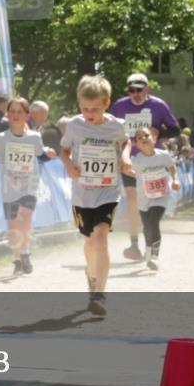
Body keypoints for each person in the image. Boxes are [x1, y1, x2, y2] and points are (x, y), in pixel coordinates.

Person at [60, 75, 130, 316]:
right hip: (82, 194)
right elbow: (64, 150)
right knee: (90, 241)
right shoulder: (74, 125)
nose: (89, 113)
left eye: (95, 109)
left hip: (108, 191)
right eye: (85, 108)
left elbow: (126, 142)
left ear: (106, 103)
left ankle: (99, 293)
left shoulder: (116, 126)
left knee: (101, 237)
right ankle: (92, 276)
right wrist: (69, 165)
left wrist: (125, 157)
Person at [0, 96, 56, 275]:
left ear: (27, 115)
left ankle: (25, 253)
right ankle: (17, 260)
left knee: (26, 217)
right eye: (12, 111)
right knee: (13, 226)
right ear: (7, 114)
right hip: (9, 187)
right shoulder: (0, 138)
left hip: (29, 185)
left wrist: (50, 154)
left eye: (19, 112)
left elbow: (41, 156)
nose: (15, 115)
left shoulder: (34, 137)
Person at [110, 73, 180, 261]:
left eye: (139, 90)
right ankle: (134, 244)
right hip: (130, 160)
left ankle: (150, 236)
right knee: (132, 199)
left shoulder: (158, 105)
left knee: (150, 203)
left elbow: (175, 129)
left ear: (147, 89)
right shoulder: (119, 106)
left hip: (152, 161)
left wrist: (159, 133)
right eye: (131, 90)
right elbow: (109, 129)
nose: (135, 94)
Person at [121, 126, 179, 271]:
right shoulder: (136, 160)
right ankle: (148, 251)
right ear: (137, 145)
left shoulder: (163, 155)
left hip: (161, 196)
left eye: (146, 135)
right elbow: (125, 168)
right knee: (147, 227)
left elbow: (171, 166)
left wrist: (175, 179)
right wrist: (137, 174)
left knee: (154, 222)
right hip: (144, 198)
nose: (144, 139)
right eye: (139, 138)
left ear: (153, 138)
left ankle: (154, 256)